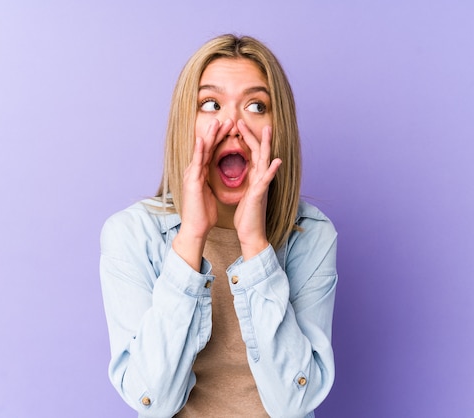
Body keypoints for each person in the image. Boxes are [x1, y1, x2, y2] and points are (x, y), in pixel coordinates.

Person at [100, 34, 338, 418]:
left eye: (256, 106)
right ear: (186, 123)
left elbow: (294, 402)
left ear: (279, 129)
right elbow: (152, 399)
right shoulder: (131, 234)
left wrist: (255, 244)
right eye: (211, 104)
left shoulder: (312, 235)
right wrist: (191, 238)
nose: (232, 124)